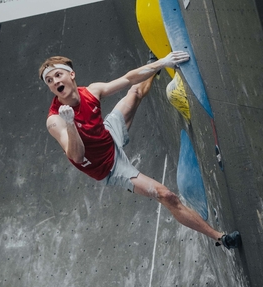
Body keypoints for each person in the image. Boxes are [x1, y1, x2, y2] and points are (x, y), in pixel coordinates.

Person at [38, 51, 241, 249]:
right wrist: (70, 124)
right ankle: (221, 238)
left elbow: (128, 79)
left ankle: (153, 64)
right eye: (49, 80)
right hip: (109, 167)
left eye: (58, 75)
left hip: (107, 136)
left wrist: (161, 62)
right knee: (166, 195)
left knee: (135, 91)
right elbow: (77, 155)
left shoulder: (92, 91)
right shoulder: (55, 120)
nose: (55, 82)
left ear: (70, 75)